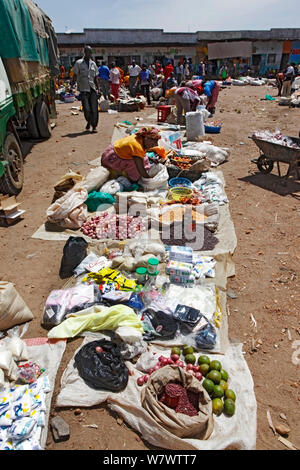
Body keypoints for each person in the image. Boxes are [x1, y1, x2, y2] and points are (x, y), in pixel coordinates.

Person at [73, 46, 99, 133]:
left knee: (94, 108)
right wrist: (72, 85)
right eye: (88, 52)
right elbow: (75, 75)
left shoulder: (93, 64)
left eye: (91, 52)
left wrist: (98, 89)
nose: (89, 54)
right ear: (84, 52)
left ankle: (94, 126)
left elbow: (95, 78)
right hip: (83, 89)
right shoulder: (79, 63)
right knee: (86, 109)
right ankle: (88, 121)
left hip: (92, 88)